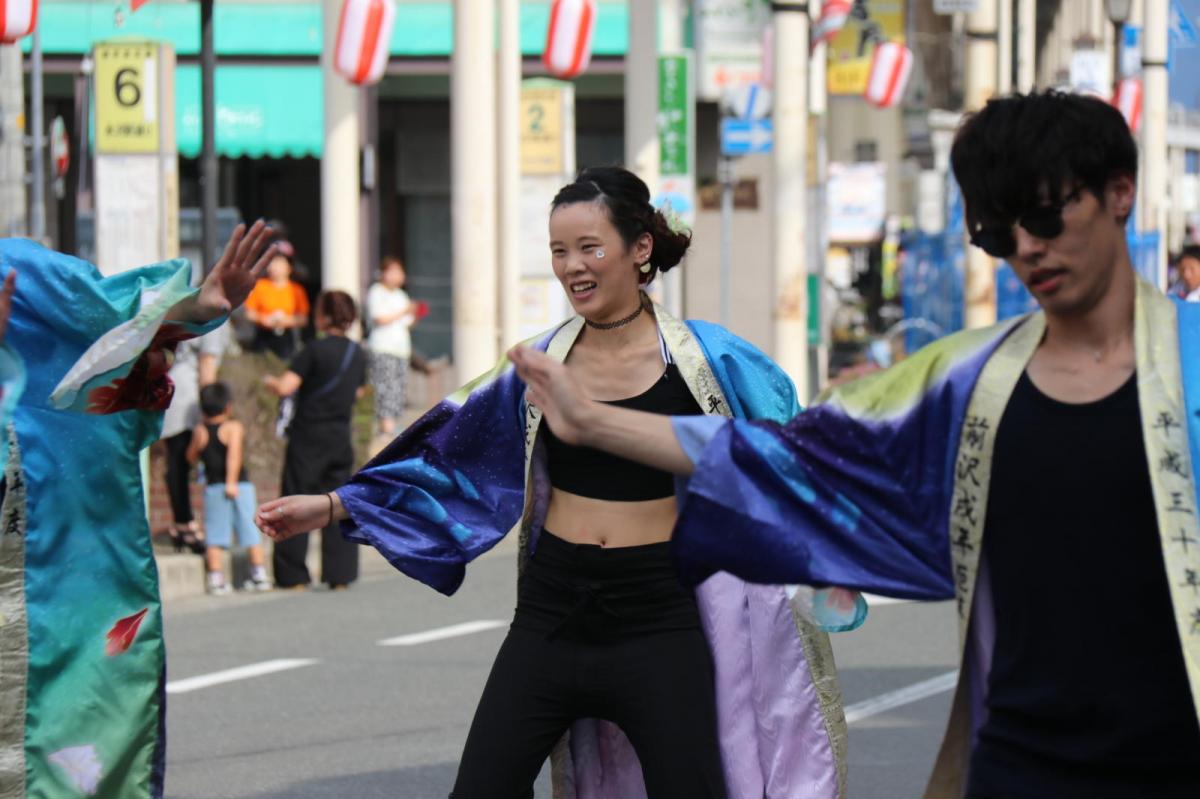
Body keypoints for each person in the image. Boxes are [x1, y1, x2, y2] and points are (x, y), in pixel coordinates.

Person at [511, 91, 1200, 798]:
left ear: (1121, 193)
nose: (1027, 248)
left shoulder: (1189, 362)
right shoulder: (963, 383)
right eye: (999, 233)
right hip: (1019, 761)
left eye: (1048, 217)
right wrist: (591, 421)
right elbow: (785, 458)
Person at [257, 166, 862, 798]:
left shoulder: (712, 361)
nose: (573, 266)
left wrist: (838, 550)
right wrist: (331, 505)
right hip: (552, 611)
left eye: (590, 248)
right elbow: (446, 457)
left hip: (659, 615)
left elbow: (792, 455)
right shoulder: (538, 364)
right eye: (558, 251)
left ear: (641, 249)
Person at [0, 223, 274, 797]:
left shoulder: (14, 270)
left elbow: (111, 317)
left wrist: (197, 305)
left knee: (76, 740)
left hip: (55, 570)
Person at [263, 290, 367, 590]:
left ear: (323, 316)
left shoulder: (313, 350)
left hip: (308, 436)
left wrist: (269, 381)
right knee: (336, 504)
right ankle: (340, 575)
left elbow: (286, 387)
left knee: (296, 499)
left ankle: (293, 575)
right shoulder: (356, 353)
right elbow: (359, 392)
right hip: (339, 435)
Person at [187, 382, 271, 594]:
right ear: (228, 407)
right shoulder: (233, 427)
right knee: (251, 529)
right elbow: (234, 455)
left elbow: (190, 456)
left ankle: (216, 579)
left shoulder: (200, 430)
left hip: (214, 487)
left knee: (215, 534)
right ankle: (259, 575)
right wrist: (232, 482)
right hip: (239, 486)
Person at [158, 322, 228, 552]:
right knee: (182, 463)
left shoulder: (193, 310)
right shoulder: (214, 319)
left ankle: (181, 524)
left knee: (178, 463)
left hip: (176, 393)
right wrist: (210, 412)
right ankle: (186, 524)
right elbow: (207, 366)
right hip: (189, 401)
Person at [366, 255, 425, 436]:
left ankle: (391, 427)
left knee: (398, 388)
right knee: (385, 387)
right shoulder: (376, 292)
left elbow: (407, 323)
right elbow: (380, 318)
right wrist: (404, 311)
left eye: (400, 271)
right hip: (383, 347)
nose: (398, 276)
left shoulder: (401, 295)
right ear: (383, 273)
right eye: (393, 271)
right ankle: (386, 427)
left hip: (400, 349)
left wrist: (416, 314)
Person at [243, 239, 309, 359]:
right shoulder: (260, 286)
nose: (274, 266)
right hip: (263, 336)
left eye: (279, 262)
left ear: (289, 266)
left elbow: (303, 318)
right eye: (272, 262)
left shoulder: (296, 290)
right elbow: (249, 313)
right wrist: (263, 319)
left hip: (286, 338)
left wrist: (285, 320)